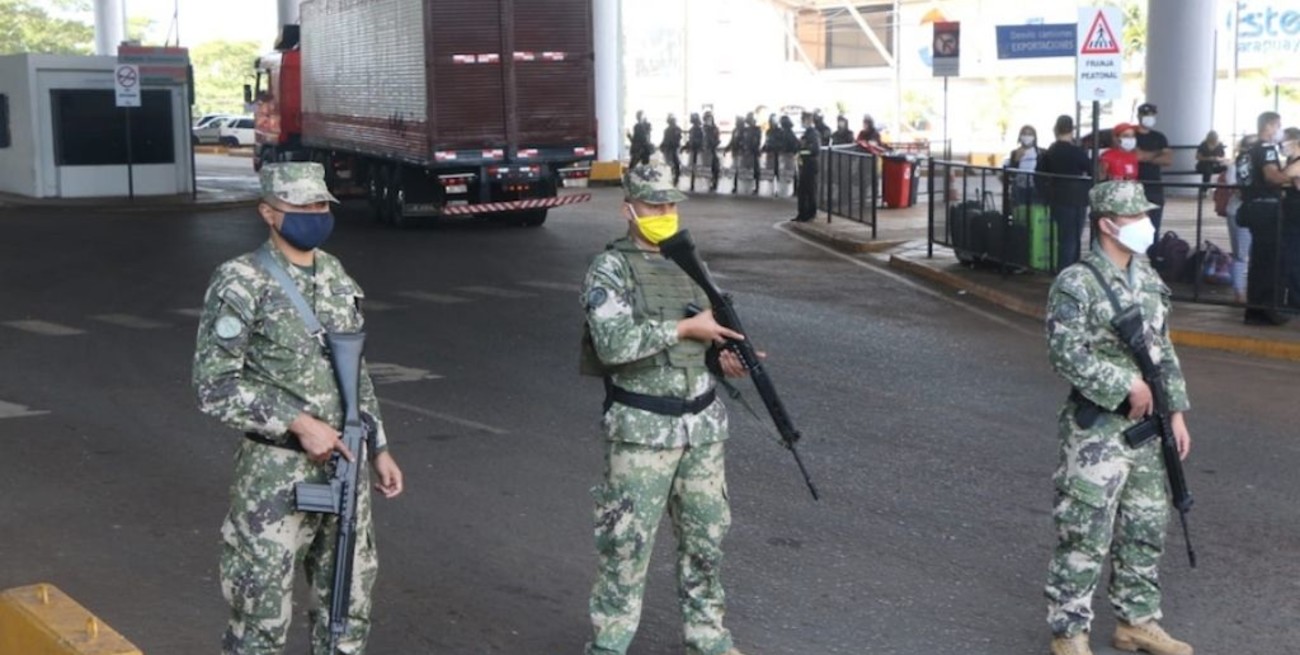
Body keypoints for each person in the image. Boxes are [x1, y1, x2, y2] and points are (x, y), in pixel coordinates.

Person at [193, 162, 405, 655]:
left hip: (346, 462)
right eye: (302, 206)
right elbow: (213, 385)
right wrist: (297, 422)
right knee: (261, 616)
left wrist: (380, 447)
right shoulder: (240, 281)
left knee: (346, 611)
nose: (315, 214)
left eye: (321, 205)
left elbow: (356, 375)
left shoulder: (335, 274)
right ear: (269, 212)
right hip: (275, 472)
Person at [580, 163, 752, 655]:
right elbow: (612, 344)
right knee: (625, 548)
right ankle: (609, 646)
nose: (666, 214)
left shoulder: (689, 264)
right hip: (641, 431)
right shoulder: (609, 269)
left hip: (702, 429)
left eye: (671, 205)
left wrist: (725, 357)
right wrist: (682, 330)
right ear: (629, 209)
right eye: (655, 205)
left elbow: (708, 338)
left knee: (706, 543)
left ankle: (709, 639)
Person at [1044, 180, 1194, 655]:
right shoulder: (1077, 282)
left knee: (1145, 526)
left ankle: (1136, 621)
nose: (1146, 225)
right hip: (1099, 429)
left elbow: (1162, 348)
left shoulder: (1147, 274)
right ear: (1108, 224)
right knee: (1085, 530)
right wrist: (1124, 384)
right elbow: (1064, 353)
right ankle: (1070, 632)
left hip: (1149, 428)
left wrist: (1176, 412)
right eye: (1135, 218)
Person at [1239, 111, 1290, 325]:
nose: (1279, 131)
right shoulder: (1267, 149)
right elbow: (1271, 176)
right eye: (1278, 126)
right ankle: (1267, 309)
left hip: (1251, 206)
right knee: (1269, 260)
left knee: (1258, 261)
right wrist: (1291, 176)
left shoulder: (1247, 151)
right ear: (1269, 126)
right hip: (1267, 208)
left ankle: (1254, 309)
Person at [1037, 115, 1094, 268]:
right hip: (1077, 199)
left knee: (1064, 238)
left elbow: (1040, 175)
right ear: (1072, 130)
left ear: (1056, 129)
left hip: (1057, 198)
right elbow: (1090, 169)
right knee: (1073, 238)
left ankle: (1064, 271)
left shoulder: (1050, 151)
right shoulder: (1076, 152)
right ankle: (1069, 272)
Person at [1224, 135, 1257, 304]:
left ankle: (1252, 288)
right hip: (1238, 212)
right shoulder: (1235, 165)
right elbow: (1234, 188)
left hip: (1255, 212)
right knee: (1241, 254)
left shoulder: (1260, 165)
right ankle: (1239, 291)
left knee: (1254, 253)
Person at [1134, 103, 1173, 233]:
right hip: (1134, 186)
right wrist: (1157, 153)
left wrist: (1145, 156)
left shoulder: (1159, 137)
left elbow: (1167, 160)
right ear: (1138, 116)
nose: (1148, 118)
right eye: (1145, 115)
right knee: (1132, 226)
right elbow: (1135, 157)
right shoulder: (1130, 135)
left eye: (1151, 115)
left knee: (1154, 227)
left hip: (1155, 186)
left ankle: (1153, 252)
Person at [1005, 124, 1046, 208]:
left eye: (1030, 134)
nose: (1027, 137)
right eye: (1024, 134)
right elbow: (1011, 174)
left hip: (1036, 188)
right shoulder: (1015, 152)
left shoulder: (1041, 152)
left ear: (1034, 137)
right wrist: (1016, 160)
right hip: (1020, 188)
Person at [793, 111, 821, 222]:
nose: (802, 122)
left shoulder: (813, 134)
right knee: (802, 191)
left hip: (810, 166)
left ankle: (810, 214)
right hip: (804, 166)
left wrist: (801, 152)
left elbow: (814, 150)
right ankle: (802, 214)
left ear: (809, 121)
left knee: (810, 191)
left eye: (803, 120)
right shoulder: (806, 134)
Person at [741, 113, 762, 195]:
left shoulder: (757, 129)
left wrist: (751, 148)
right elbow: (743, 140)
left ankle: (756, 187)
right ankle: (746, 186)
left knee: (755, 170)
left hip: (753, 152)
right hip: (746, 152)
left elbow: (757, 141)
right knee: (746, 169)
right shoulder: (745, 130)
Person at [661, 114, 684, 187]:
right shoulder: (667, 130)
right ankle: (674, 177)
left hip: (674, 148)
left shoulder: (676, 129)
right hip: (670, 148)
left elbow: (679, 138)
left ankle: (676, 177)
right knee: (672, 163)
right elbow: (665, 139)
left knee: (676, 162)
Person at [684, 112, 705, 192]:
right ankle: (692, 184)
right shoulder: (693, 129)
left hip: (697, 150)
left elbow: (700, 140)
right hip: (693, 150)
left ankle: (693, 184)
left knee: (695, 167)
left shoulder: (698, 129)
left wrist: (694, 144)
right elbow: (690, 139)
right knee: (693, 167)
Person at [702, 111, 722, 192]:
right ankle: (708, 182)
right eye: (707, 118)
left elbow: (717, 140)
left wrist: (713, 144)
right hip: (704, 151)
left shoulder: (714, 129)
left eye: (709, 118)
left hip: (712, 150)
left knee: (715, 167)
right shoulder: (703, 128)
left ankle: (714, 183)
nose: (708, 120)